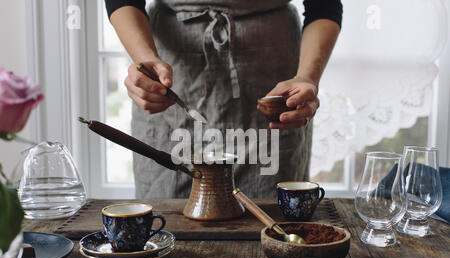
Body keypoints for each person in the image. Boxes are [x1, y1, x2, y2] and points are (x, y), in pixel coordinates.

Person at [106, 0, 342, 199]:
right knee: (168, 218)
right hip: (173, 72)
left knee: (272, 217)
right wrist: (144, 59)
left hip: (274, 72)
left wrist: (306, 77)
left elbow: (323, 6)